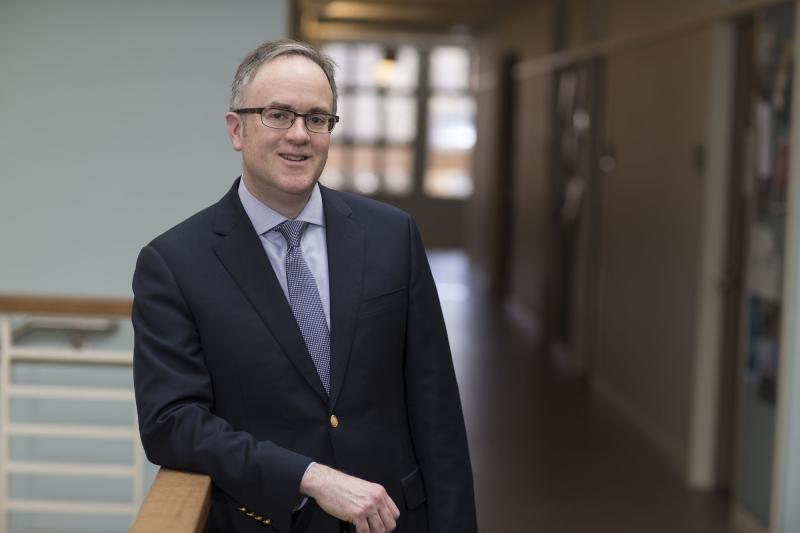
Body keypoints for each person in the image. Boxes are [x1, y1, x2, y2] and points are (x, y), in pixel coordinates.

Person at [132, 38, 477, 533]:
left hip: (395, 522)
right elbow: (171, 423)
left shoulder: (391, 236)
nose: (299, 135)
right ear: (237, 129)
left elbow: (436, 407)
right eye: (278, 114)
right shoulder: (174, 263)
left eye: (317, 118)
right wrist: (308, 476)